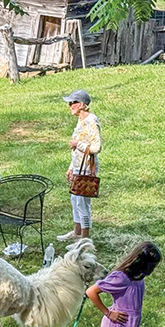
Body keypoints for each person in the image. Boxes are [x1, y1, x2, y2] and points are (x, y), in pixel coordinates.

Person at [58, 89, 102, 241]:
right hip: (78, 166)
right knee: (75, 200)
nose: (70, 105)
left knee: (82, 203)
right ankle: (77, 233)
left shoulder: (91, 121)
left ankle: (84, 238)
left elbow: (96, 147)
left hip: (87, 169)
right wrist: (71, 167)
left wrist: (78, 144)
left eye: (73, 102)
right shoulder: (81, 121)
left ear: (82, 105)